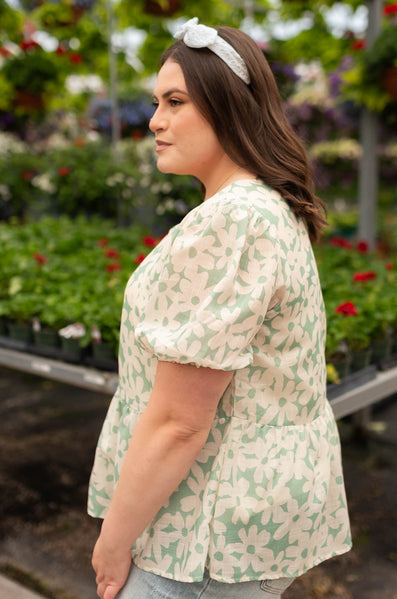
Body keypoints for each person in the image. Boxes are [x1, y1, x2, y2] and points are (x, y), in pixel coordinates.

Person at [88, 17, 352, 599]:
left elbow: (181, 422)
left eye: (175, 101)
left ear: (229, 104)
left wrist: (113, 540)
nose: (155, 120)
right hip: (244, 517)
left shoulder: (235, 220)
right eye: (156, 102)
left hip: (206, 531)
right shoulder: (262, 207)